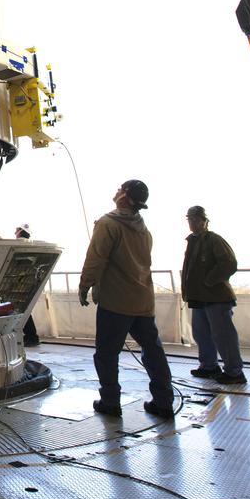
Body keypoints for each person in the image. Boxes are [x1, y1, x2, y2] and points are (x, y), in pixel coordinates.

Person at [79, 179, 175, 419]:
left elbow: (96, 257)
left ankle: (110, 401)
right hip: (142, 301)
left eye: (121, 189)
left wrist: (85, 284)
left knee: (107, 354)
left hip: (116, 302)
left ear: (126, 198)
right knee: (153, 351)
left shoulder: (109, 224)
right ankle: (164, 401)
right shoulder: (144, 230)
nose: (117, 191)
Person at [181, 206, 246, 384]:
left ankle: (234, 371)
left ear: (205, 221)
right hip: (199, 298)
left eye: (196, 219)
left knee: (223, 335)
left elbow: (229, 263)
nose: (193, 223)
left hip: (216, 298)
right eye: (190, 220)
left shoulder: (214, 240)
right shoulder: (193, 241)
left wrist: (209, 282)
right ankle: (209, 366)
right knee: (201, 333)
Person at [16, 225, 41, 347]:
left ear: (20, 232)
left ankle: (31, 337)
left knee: (23, 311)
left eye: (16, 230)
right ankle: (31, 336)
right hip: (28, 283)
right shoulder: (29, 245)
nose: (15, 232)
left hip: (22, 284)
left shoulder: (21, 245)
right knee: (25, 311)